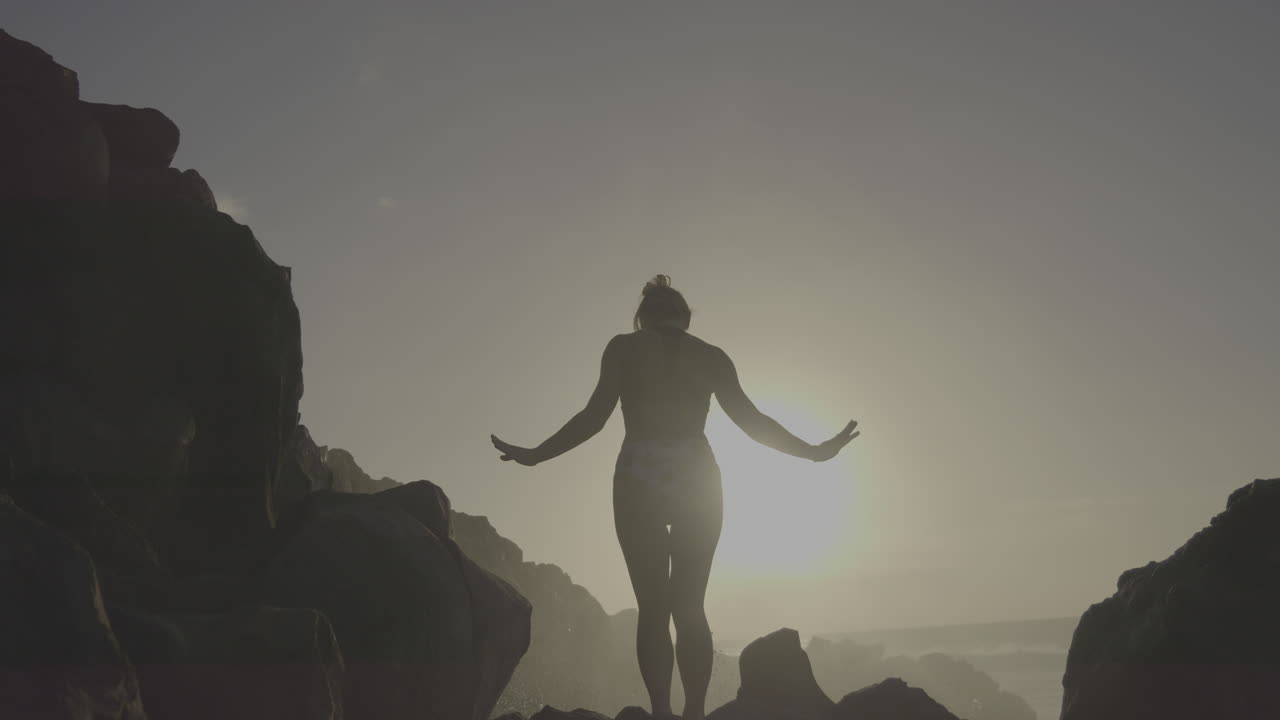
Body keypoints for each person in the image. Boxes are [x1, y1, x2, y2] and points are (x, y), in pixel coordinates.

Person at [491, 275, 859, 720]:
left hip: (637, 481)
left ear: (642, 319)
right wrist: (813, 452)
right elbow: (752, 421)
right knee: (690, 607)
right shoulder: (711, 357)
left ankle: (661, 711)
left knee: (652, 609)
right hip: (697, 481)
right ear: (684, 317)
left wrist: (536, 455)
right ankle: (695, 713)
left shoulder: (623, 348)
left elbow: (593, 418)